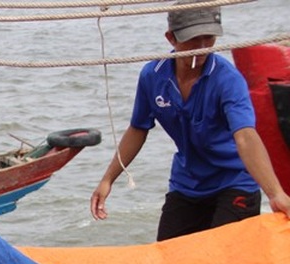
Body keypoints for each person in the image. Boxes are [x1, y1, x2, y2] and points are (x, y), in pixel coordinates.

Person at [90, 0, 290, 241]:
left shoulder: (228, 80)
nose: (203, 47)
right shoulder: (152, 76)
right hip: (187, 184)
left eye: (209, 37)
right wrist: (107, 179)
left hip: (235, 182)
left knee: (222, 259)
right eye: (193, 38)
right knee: (168, 260)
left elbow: (245, 136)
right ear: (171, 38)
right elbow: (137, 129)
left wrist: (276, 193)